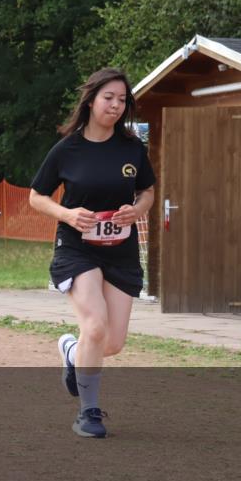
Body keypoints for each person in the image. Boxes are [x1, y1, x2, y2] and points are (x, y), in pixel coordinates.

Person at [28, 68, 155, 438]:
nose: (116, 105)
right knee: (95, 327)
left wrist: (139, 209)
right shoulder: (67, 149)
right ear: (91, 101)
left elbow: (147, 190)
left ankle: (71, 352)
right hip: (77, 248)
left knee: (110, 342)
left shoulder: (132, 148)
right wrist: (67, 213)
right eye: (108, 98)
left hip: (121, 251)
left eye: (122, 100)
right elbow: (35, 196)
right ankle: (89, 412)